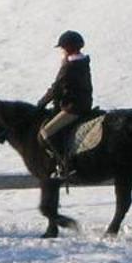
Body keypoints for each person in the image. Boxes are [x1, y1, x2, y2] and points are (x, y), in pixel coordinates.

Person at [36, 30, 94, 177]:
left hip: (73, 108)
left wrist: (40, 104)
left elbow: (56, 88)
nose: (62, 51)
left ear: (69, 48)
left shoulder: (69, 66)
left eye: (63, 48)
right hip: (85, 104)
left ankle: (65, 165)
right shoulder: (83, 62)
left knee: (46, 133)